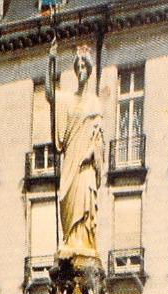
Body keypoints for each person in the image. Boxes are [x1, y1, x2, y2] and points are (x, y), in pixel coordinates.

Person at [55, 45, 104, 261]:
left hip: (85, 167)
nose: (82, 68)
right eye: (79, 65)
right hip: (70, 164)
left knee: (86, 207)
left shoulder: (94, 102)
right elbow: (49, 94)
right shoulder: (67, 100)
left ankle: (83, 241)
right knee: (67, 199)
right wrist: (50, 62)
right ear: (75, 70)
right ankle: (71, 240)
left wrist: (93, 154)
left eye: (85, 65)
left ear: (90, 70)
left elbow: (99, 138)